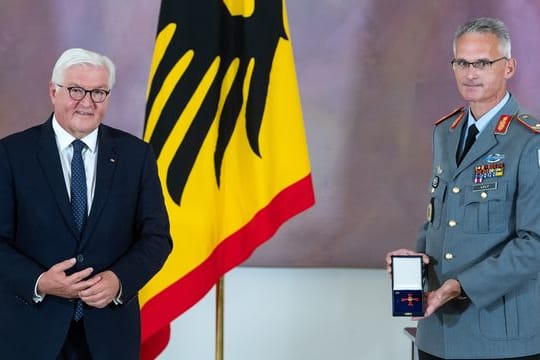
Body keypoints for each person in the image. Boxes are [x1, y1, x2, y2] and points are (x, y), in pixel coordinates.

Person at [0, 48, 172, 359]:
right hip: (30, 333)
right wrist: (39, 282)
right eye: (77, 90)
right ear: (54, 91)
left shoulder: (137, 156)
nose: (87, 102)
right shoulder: (11, 154)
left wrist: (119, 280)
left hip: (109, 334)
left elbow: (157, 237)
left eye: (98, 92)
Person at [386, 17, 540, 359]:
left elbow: (535, 244)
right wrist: (417, 260)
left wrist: (459, 287)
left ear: (509, 66)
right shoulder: (446, 132)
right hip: (437, 335)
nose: (471, 73)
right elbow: (439, 218)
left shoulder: (529, 142)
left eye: (483, 62)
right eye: (462, 62)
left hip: (501, 338)